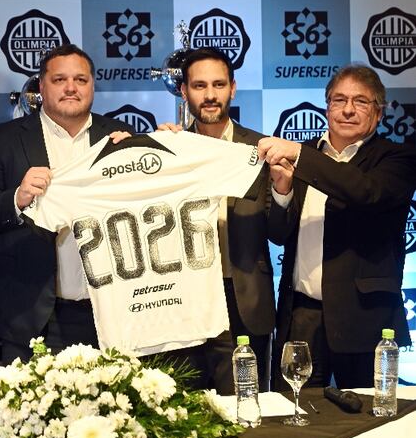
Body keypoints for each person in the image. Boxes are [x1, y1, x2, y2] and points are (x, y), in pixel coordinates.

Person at [0, 44, 133, 363]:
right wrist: (18, 197)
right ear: (41, 87)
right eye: (60, 80)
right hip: (33, 318)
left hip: (109, 314)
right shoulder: (4, 139)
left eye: (80, 80)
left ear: (92, 85)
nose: (71, 87)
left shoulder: (119, 138)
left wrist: (146, 156)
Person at [258, 64, 416, 389]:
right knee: (295, 415)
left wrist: (300, 155)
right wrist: (283, 191)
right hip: (301, 314)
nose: (347, 109)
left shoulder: (397, 158)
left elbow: (364, 192)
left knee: (369, 423)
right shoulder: (304, 159)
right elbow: (277, 232)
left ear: (379, 112)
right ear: (327, 106)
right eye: (338, 99)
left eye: (360, 101)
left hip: (365, 318)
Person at [153, 48, 275, 394]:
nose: (209, 95)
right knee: (183, 417)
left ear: (232, 89)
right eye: (199, 85)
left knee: (247, 417)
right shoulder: (167, 149)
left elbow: (280, 231)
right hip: (182, 302)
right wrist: (142, 148)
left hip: (243, 303)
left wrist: (281, 189)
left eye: (219, 85)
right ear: (184, 91)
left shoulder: (261, 149)